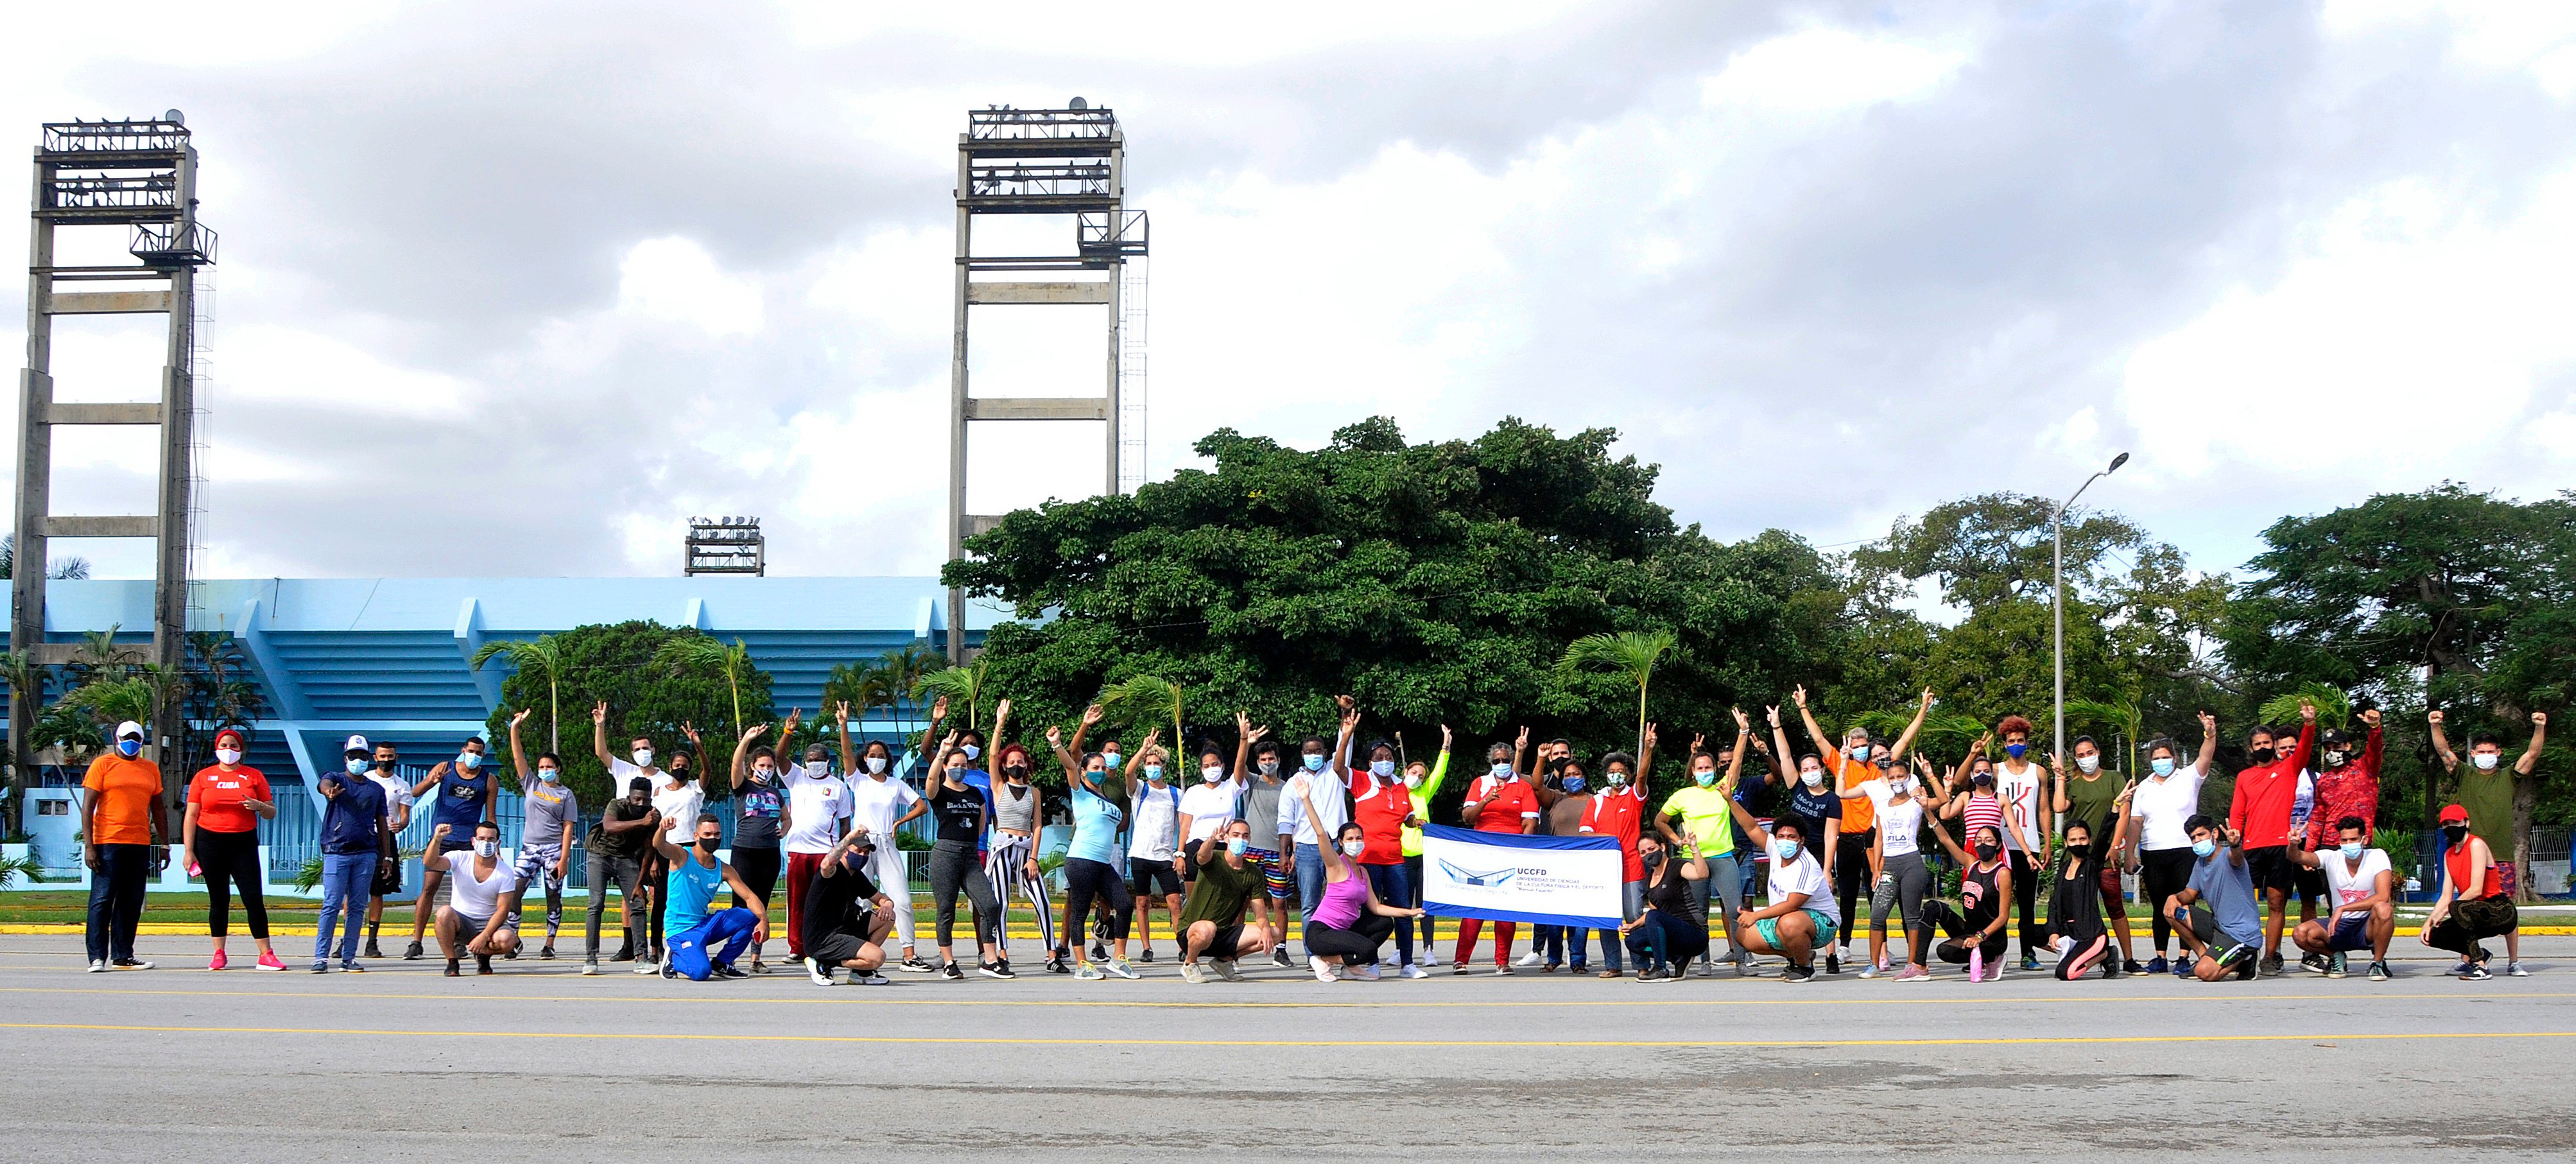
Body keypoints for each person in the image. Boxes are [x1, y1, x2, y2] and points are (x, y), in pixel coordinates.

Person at [1797, 686, 1929, 973]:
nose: (1859, 748)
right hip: (1846, 838)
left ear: (1869, 746)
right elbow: (1818, 738)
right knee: (1846, 895)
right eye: (1854, 744)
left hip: (1874, 841)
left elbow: (1906, 738)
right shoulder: (1841, 763)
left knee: (1877, 896)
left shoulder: (1881, 769)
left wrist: (1923, 709)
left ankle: (1892, 953)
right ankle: (1844, 947)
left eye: (1862, 744)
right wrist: (1804, 708)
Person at [2429, 709, 2543, 976]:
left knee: (2507, 910)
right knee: (2465, 908)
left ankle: (2514, 961)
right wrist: (2435, 725)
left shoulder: (2507, 777)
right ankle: (2469, 957)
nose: (2485, 757)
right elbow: (2444, 753)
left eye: (2490, 752)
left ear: (2499, 753)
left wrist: (2539, 727)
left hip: (2501, 854)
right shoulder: (2465, 775)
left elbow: (2532, 756)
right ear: (2472, 754)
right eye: (2480, 752)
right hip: (2468, 855)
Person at [1295, 779, 1425, 982]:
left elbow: (1377, 907)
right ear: (1340, 842)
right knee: (1367, 949)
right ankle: (1323, 960)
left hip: (1344, 931)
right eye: (1350, 839)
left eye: (1358, 839)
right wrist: (1306, 799)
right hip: (1322, 932)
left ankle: (1349, 967)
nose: (1355, 843)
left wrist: (1410, 912)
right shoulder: (1336, 865)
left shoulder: (1363, 872)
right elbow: (1321, 833)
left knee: (1384, 924)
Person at [1656, 713, 1755, 977]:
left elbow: (1737, 762)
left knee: (1736, 910)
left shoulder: (1723, 789)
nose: (1704, 772)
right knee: (1698, 913)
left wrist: (1743, 732)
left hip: (1723, 858)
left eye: (1708, 768)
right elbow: (1661, 821)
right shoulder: (1683, 795)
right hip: (1694, 860)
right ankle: (1704, 961)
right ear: (1693, 771)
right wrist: (1678, 841)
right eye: (1700, 769)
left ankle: (1742, 961)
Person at [597, 701, 693, 969]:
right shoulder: (624, 770)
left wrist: (653, 854)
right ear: (631, 753)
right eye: (637, 749)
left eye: (646, 748)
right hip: (624, 840)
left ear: (654, 751)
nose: (642, 752)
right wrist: (600, 725)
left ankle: (652, 945)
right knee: (629, 897)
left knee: (656, 894)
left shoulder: (664, 779)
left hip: (651, 842)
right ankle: (629, 945)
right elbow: (601, 752)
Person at [2226, 702, 2317, 976]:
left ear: (2273, 745)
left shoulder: (2290, 768)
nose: (2263, 747)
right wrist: (2235, 838)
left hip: (2280, 846)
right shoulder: (2244, 777)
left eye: (2267, 742)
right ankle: (2244, 953)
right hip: (2252, 847)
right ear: (2251, 749)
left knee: (2277, 903)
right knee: (2244, 904)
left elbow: (2304, 749)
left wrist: (2309, 724)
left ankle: (2269, 956)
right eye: (2258, 744)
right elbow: (2238, 811)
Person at [182, 727, 284, 971]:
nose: (229, 750)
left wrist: (259, 805)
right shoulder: (203, 777)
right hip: (210, 842)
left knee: (253, 898)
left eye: (234, 746)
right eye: (224, 746)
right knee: (219, 899)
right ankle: (219, 952)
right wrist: (189, 851)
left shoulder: (253, 776)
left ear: (241, 750)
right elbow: (192, 814)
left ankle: (266, 953)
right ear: (217, 748)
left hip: (243, 842)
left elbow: (271, 812)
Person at [1048, 711, 1139, 978]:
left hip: (1103, 862)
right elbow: (1069, 761)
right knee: (1080, 911)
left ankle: (1118, 959)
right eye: (1094, 768)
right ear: (1085, 771)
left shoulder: (1110, 800)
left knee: (1124, 905)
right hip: (1081, 860)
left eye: (1102, 768)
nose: (1100, 771)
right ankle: (1081, 965)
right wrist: (1059, 743)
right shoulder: (1081, 792)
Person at [2126, 713, 2218, 973]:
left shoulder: (2189, 777)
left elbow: (2205, 757)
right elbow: (2135, 822)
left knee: (2183, 903)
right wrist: (2130, 855)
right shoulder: (2144, 787)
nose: (2161, 762)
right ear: (2150, 762)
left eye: (2166, 757)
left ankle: (2184, 956)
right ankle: (2160, 956)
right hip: (2153, 852)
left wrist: (2209, 733)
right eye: (2156, 759)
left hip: (2185, 851)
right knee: (2160, 905)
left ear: (2175, 758)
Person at [924, 714, 1011, 980]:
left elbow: (983, 822)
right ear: (947, 766)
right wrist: (941, 755)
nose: (960, 768)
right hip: (946, 854)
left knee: (990, 905)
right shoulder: (939, 790)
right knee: (946, 910)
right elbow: (929, 784)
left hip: (971, 854)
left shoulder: (974, 792)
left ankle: (989, 959)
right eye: (955, 764)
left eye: (963, 764)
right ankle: (949, 961)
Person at [848, 698, 932, 971]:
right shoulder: (858, 781)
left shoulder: (895, 785)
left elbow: (921, 805)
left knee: (902, 901)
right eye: (872, 755)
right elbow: (848, 757)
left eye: (881, 756)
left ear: (887, 759)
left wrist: (899, 821)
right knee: (860, 900)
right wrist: (843, 726)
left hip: (884, 842)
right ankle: (858, 952)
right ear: (865, 758)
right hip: (861, 843)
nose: (876, 759)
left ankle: (909, 954)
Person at [1847, 752, 1947, 981]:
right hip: (1889, 865)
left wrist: (1930, 776)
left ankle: (1914, 964)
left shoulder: (1915, 802)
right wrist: (1876, 870)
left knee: (1911, 917)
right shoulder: (1882, 806)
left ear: (1908, 777)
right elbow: (1879, 839)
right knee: (1877, 915)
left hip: (1911, 862)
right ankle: (1873, 964)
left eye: (1900, 776)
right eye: (1892, 777)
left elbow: (1941, 801)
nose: (1896, 781)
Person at [701, 714, 786, 973]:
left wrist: (786, 828)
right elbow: (735, 765)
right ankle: (729, 957)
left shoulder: (775, 793)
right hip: (745, 853)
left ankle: (755, 959)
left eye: (771, 766)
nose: (767, 769)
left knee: (761, 905)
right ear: (753, 766)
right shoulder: (743, 787)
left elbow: (787, 817)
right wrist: (747, 741)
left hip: (770, 854)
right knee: (740, 906)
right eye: (763, 765)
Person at [1722, 793, 1838, 983]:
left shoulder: (1806, 865)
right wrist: (1730, 801)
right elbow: (1750, 827)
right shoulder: (1775, 849)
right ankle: (1798, 956)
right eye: (1781, 836)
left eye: (1792, 837)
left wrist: (1756, 915)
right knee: (1743, 935)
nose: (1785, 840)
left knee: (1789, 923)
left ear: (1802, 840)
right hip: (1787, 919)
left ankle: (1805, 968)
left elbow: (1792, 904)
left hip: (1821, 923)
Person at [1451, 730, 1542, 974]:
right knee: (1474, 909)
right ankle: (1461, 960)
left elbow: (1530, 822)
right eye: (1497, 761)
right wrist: (1485, 800)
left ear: (1512, 761)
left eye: (1505, 760)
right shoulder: (1480, 784)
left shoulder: (1522, 787)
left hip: (1511, 853)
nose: (1501, 765)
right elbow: (1468, 817)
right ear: (1490, 763)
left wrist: (1521, 852)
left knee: (1505, 910)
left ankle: (1502, 961)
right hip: (1481, 855)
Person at [82, 719, 167, 972]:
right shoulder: (103, 765)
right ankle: (97, 957)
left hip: (139, 842)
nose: (131, 742)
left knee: (131, 901)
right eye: (126, 737)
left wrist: (164, 844)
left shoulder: (150, 768)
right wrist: (89, 845)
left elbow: (159, 808)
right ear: (117, 738)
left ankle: (123, 955)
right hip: (108, 842)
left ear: (142, 742)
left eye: (136, 738)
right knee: (102, 900)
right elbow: (88, 806)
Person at [2053, 733, 2143, 973]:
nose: (2086, 759)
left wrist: (2114, 847)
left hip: (2105, 853)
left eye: (2089, 753)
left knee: (2114, 905)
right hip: (2077, 857)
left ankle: (2129, 958)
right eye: (2081, 756)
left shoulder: (2114, 778)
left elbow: (2123, 813)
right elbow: (2059, 807)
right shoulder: (2074, 784)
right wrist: (2060, 779)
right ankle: (2081, 951)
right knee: (2072, 908)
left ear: (2098, 752)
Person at [402, 734, 495, 960]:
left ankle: (460, 940)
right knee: (429, 888)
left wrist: (493, 844)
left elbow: (490, 816)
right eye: (471, 751)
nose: (474, 756)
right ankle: (416, 941)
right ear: (464, 750)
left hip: (468, 842)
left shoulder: (488, 780)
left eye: (479, 753)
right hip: (443, 838)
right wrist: (432, 781)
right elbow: (415, 793)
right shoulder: (446, 768)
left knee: (464, 892)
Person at [1283, 699, 1361, 962]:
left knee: (1344, 903)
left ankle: (1340, 950)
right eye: (1309, 751)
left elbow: (1345, 740)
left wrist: (1345, 714)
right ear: (1302, 754)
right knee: (1309, 905)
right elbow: (1286, 821)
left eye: (1318, 751)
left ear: (1325, 752)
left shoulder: (1335, 773)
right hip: (1306, 849)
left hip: (1337, 847)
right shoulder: (1295, 782)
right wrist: (1286, 853)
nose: (1313, 755)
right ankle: (1312, 955)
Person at [1765, 706, 1845, 961]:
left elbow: (1831, 836)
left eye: (1814, 768)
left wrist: (1827, 870)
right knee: (1789, 903)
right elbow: (1785, 757)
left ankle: (1831, 955)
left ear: (1822, 769)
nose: (1810, 772)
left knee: (1822, 903)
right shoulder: (1797, 788)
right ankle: (1796, 952)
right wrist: (1776, 726)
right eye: (1805, 769)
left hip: (1818, 855)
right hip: (1793, 855)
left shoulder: (1833, 800)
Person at [1578, 728, 1659, 979]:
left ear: (1628, 775)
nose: (1615, 776)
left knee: (1634, 917)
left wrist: (1648, 749)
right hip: (1605, 871)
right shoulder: (1598, 800)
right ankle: (1613, 965)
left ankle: (1642, 965)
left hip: (1632, 867)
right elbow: (1584, 831)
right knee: (1607, 919)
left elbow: (1643, 776)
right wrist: (1607, 841)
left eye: (1620, 772)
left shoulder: (1633, 796)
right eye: (1611, 772)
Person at [650, 812, 764, 980]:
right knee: (701, 972)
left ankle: (722, 963)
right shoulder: (682, 856)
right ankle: (674, 960)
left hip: (704, 924)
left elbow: (749, 897)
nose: (712, 838)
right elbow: (660, 845)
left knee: (750, 916)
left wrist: (764, 920)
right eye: (707, 834)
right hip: (681, 930)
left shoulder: (723, 869)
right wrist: (662, 830)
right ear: (696, 836)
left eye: (717, 834)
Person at [308, 756, 397, 973]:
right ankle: (321, 957)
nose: (359, 760)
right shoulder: (336, 779)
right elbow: (324, 785)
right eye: (354, 756)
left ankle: (349, 958)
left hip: (366, 852)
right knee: (332, 904)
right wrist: (329, 792)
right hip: (337, 851)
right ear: (346, 758)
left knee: (357, 907)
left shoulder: (375, 789)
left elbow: (382, 823)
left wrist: (387, 856)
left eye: (363, 756)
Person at [502, 710, 578, 961]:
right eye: (542, 767)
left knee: (553, 895)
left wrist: (564, 859)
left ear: (558, 770)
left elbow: (568, 827)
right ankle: (513, 939)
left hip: (554, 849)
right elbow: (517, 756)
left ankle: (549, 942)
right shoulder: (531, 784)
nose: (545, 770)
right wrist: (515, 728)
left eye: (550, 767)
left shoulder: (566, 794)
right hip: (530, 848)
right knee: (514, 890)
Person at [2285, 815, 2394, 981]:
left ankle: (2377, 963)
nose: (2349, 844)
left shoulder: (2377, 856)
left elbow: (2383, 896)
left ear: (2364, 840)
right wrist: (2293, 845)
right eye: (2345, 840)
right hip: (2339, 926)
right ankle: (2336, 957)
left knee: (2384, 909)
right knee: (2301, 933)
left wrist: (2343, 908)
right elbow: (2298, 857)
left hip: (2367, 925)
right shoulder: (2331, 857)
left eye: (2353, 839)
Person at [1176, 817, 1281, 982]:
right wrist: (1211, 840)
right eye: (1236, 835)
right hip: (1193, 930)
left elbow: (1259, 911)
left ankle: (1224, 961)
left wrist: (1266, 930)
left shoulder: (1253, 873)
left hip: (1223, 932)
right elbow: (1202, 856)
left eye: (1245, 836)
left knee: (1275, 934)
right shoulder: (1215, 859)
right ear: (1226, 838)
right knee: (1207, 929)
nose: (1241, 839)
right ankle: (1190, 963)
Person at [1989, 713, 2054, 970]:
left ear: (2027, 742)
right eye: (2011, 740)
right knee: (1995, 903)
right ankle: (1993, 953)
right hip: (2000, 845)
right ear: (2004, 744)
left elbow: (2044, 809)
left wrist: (2047, 842)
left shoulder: (2038, 772)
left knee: (2027, 905)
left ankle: (2028, 954)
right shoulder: (1995, 770)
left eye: (2020, 740)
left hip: (2029, 846)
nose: (2016, 744)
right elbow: (1966, 781)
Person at [2424, 803, 2518, 980]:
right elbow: (2446, 895)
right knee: (2433, 936)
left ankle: (2480, 967)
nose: (2451, 827)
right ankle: (2480, 954)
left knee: (2458, 908)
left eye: (2455, 822)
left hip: (2498, 910)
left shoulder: (2476, 845)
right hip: (2471, 911)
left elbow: (2476, 889)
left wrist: (2447, 910)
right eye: (2446, 824)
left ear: (2466, 823)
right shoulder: (2449, 855)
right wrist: (2429, 922)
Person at [2164, 816, 2263, 982]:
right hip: (2219, 926)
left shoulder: (2228, 857)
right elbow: (2190, 893)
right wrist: (2174, 898)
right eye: (2193, 838)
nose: (2197, 841)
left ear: (2215, 834)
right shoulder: (2200, 863)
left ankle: (2247, 957)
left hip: (2240, 934)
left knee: (2205, 973)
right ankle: (2204, 956)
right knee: (2172, 912)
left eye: (2201, 835)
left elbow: (2237, 857)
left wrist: (2235, 844)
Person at [2044, 796, 2132, 980]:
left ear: (2089, 841)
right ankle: (2072, 955)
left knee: (2064, 973)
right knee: (2030, 932)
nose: (2078, 843)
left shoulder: (2092, 865)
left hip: (2091, 935)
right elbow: (2054, 902)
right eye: (2073, 839)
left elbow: (2103, 836)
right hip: (2067, 933)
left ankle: (2105, 955)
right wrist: (2053, 932)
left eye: (2083, 839)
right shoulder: (2063, 867)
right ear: (2066, 842)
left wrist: (2115, 807)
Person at [1917, 814, 2012, 981]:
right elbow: (1946, 839)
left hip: (1992, 938)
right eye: (1979, 840)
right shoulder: (1972, 863)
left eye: (1989, 840)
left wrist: (1980, 937)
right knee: (1933, 907)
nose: (1983, 844)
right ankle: (1918, 966)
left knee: (1945, 951)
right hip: (1970, 930)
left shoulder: (2002, 873)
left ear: (1998, 845)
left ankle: (1993, 958)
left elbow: (2003, 917)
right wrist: (1927, 811)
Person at [425, 821, 523, 977]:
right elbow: (431, 862)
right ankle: (452, 961)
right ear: (473, 841)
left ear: (498, 843)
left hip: (489, 923)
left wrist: (484, 936)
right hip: (461, 921)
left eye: (491, 839)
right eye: (482, 838)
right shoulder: (460, 857)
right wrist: (437, 839)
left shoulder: (505, 872)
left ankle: (483, 955)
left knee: (507, 940)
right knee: (443, 913)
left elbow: (503, 910)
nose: (486, 843)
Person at [582, 776, 659, 975]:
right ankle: (591, 958)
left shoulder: (653, 816)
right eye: (637, 799)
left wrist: (640, 883)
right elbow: (609, 826)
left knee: (637, 903)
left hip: (626, 858)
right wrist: (642, 821)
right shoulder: (617, 805)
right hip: (600, 855)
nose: (641, 803)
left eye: (646, 800)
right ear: (629, 798)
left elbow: (650, 850)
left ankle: (641, 958)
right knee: (596, 903)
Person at [801, 828, 897, 986]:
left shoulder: (857, 876)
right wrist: (850, 836)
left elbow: (881, 898)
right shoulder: (833, 871)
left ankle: (860, 973)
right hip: (824, 938)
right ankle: (824, 963)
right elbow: (826, 864)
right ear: (845, 851)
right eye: (858, 851)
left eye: (866, 853)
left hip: (845, 930)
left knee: (889, 917)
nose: (862, 856)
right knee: (877, 958)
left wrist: (888, 905)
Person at [1528, 752, 1593, 972]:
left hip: (1586, 866)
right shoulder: (1556, 798)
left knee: (1581, 919)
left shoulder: (1596, 801)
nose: (1572, 778)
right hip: (1558, 865)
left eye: (1576, 774)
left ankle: (1577, 960)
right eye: (1568, 775)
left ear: (1584, 777)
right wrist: (1540, 759)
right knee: (1554, 919)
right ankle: (1553, 958)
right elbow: (1537, 786)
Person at [1126, 733, 1186, 963]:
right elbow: (1128, 773)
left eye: (1156, 763)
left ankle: (1182, 945)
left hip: (1164, 856)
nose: (1152, 767)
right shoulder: (1140, 789)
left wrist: (1179, 852)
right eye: (1149, 764)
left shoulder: (1175, 794)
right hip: (1140, 854)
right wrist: (1143, 750)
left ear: (1164, 766)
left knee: (1174, 902)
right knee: (1142, 902)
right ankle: (1146, 948)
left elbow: (1183, 825)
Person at [1621, 829, 1710, 982]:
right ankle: (1678, 959)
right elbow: (1653, 912)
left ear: (1662, 847)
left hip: (1694, 934)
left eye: (1651, 849)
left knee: (1655, 917)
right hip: (1672, 935)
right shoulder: (1649, 878)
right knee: (1633, 940)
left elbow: (1701, 874)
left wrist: (1695, 849)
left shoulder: (1677, 865)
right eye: (1643, 852)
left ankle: (1660, 968)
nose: (1648, 854)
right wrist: (1632, 926)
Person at [355, 737, 414, 959]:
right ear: (375, 758)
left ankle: (372, 941)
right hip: (362, 834)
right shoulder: (365, 779)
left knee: (377, 891)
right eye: (382, 757)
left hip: (385, 838)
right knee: (352, 890)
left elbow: (404, 815)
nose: (386, 761)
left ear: (396, 758)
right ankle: (346, 939)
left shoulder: (401, 786)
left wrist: (401, 824)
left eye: (390, 757)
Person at [1241, 734, 1297, 968]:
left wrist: (1292, 852)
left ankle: (1281, 949)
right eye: (1263, 759)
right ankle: (1234, 950)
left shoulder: (1288, 788)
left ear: (1278, 760)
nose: (1267, 762)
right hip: (1251, 851)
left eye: (1271, 758)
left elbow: (1295, 822)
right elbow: (1239, 766)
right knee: (1243, 902)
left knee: (1279, 903)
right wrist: (1246, 741)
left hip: (1278, 852)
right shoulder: (1252, 782)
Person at [1398, 727, 1453, 964]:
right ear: (1405, 771)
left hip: (1424, 856)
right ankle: (1401, 949)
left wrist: (1446, 746)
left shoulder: (1423, 793)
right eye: (1414, 772)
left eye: (1421, 775)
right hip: (1399, 856)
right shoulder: (1394, 791)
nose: (1417, 777)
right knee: (1401, 905)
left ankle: (1428, 949)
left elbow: (1439, 773)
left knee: (1424, 904)